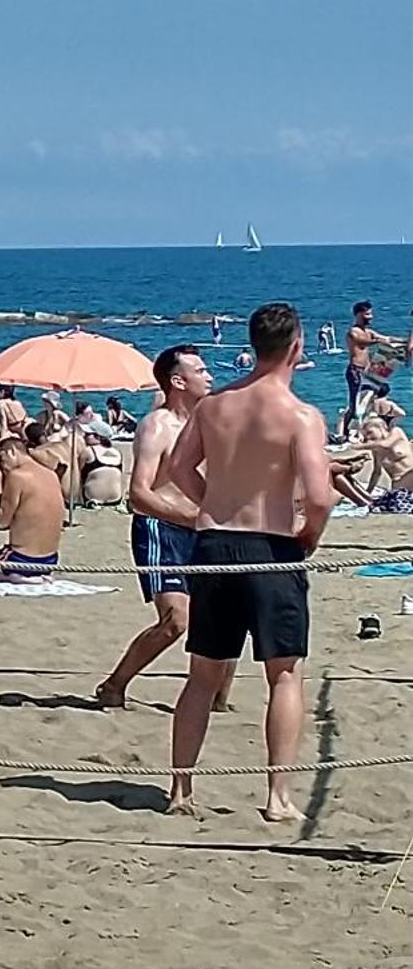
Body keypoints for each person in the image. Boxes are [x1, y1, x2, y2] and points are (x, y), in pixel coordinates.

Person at [164, 302, 332, 822]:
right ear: (297, 348)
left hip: (215, 544)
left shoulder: (214, 405)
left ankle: (181, 790)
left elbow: (177, 466)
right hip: (271, 545)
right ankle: (277, 796)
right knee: (284, 675)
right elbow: (321, 495)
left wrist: (208, 505)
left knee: (203, 674)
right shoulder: (301, 415)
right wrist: (308, 534)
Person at [94, 346, 233, 711]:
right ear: (177, 381)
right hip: (161, 528)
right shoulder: (158, 425)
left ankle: (218, 701)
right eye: (200, 370)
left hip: (205, 529)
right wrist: (193, 518)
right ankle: (114, 684)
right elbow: (138, 494)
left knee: (226, 616)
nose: (209, 376)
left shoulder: (211, 423)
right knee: (176, 620)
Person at [0, 436, 63, 579]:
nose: (2, 467)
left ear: (11, 451)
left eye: (2, 460)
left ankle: (12, 577)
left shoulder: (17, 476)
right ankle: (20, 575)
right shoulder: (50, 474)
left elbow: (1, 521)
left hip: (22, 560)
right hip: (50, 561)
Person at [340, 300, 392, 440]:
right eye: (367, 314)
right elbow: (363, 342)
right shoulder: (354, 332)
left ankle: (367, 429)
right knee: (355, 404)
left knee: (374, 397)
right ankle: (344, 433)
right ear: (358, 314)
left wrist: (403, 343)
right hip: (355, 371)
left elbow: (386, 339)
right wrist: (380, 341)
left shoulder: (368, 331)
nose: (371, 317)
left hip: (368, 372)